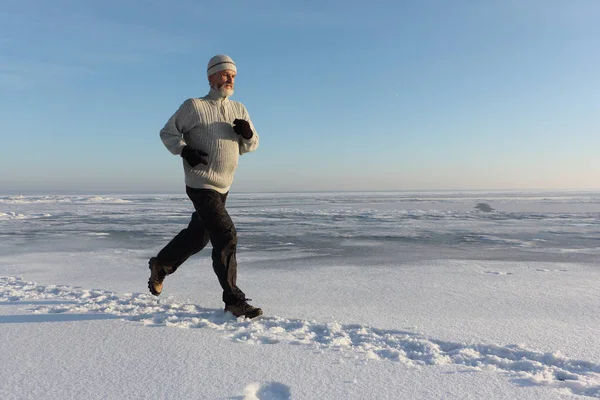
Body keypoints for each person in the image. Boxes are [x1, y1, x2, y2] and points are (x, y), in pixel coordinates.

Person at [148, 54, 262, 319]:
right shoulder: (194, 106)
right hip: (200, 183)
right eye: (225, 74)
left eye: (233, 75)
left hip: (224, 186)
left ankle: (161, 265)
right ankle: (234, 300)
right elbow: (168, 133)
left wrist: (247, 134)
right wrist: (184, 151)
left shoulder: (239, 109)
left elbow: (251, 145)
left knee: (198, 236)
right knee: (226, 235)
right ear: (211, 76)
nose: (230, 79)